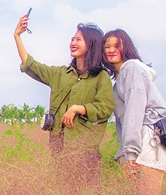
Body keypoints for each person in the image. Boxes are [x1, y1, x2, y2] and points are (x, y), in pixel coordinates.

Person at [14, 13, 114, 182]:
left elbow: (106, 107)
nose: (73, 43)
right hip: (58, 149)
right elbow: (32, 65)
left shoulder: (100, 76)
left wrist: (78, 108)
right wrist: (17, 36)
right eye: (72, 39)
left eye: (78, 40)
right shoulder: (60, 74)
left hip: (85, 152)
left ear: (91, 44)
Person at [103, 29, 166, 195]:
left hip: (148, 140)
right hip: (139, 142)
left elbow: (135, 109)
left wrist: (130, 152)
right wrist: (125, 153)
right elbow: (123, 121)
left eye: (117, 45)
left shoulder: (131, 69)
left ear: (127, 47)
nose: (111, 50)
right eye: (107, 47)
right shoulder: (121, 76)